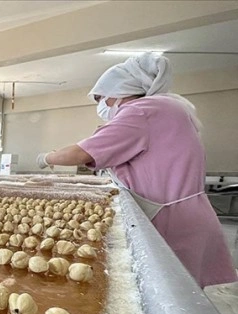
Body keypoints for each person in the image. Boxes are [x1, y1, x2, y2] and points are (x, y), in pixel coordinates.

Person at [36, 53, 236, 288]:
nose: (102, 106)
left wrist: (46, 157)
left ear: (120, 90)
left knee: (169, 295)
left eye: (103, 99)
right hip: (186, 214)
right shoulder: (169, 109)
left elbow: (82, 153)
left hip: (171, 220)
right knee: (180, 294)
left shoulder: (142, 111)